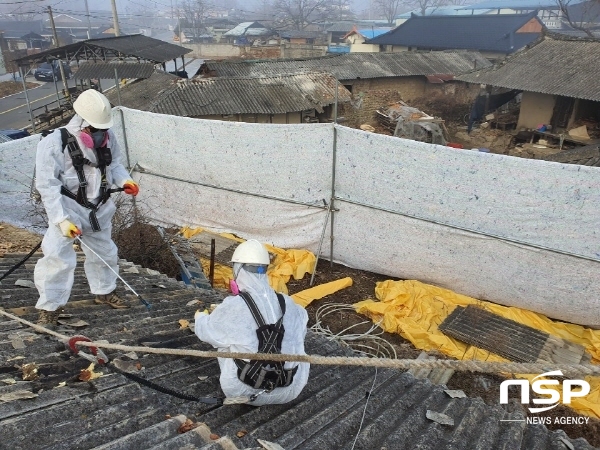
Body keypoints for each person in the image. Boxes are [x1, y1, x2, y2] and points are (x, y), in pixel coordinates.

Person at [34, 89, 139, 329]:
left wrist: (124, 181)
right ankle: (49, 307)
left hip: (99, 208)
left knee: (106, 252)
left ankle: (103, 291)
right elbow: (47, 185)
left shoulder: (108, 136)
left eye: (103, 128)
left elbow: (116, 165)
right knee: (57, 259)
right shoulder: (54, 142)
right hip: (69, 209)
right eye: (95, 128)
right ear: (81, 122)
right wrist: (61, 220)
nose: (101, 133)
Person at [194, 239, 310, 406]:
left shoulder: (234, 305)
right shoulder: (289, 303)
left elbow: (205, 332)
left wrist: (200, 317)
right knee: (296, 340)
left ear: (238, 269)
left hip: (243, 391)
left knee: (222, 341)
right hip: (290, 389)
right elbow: (301, 329)